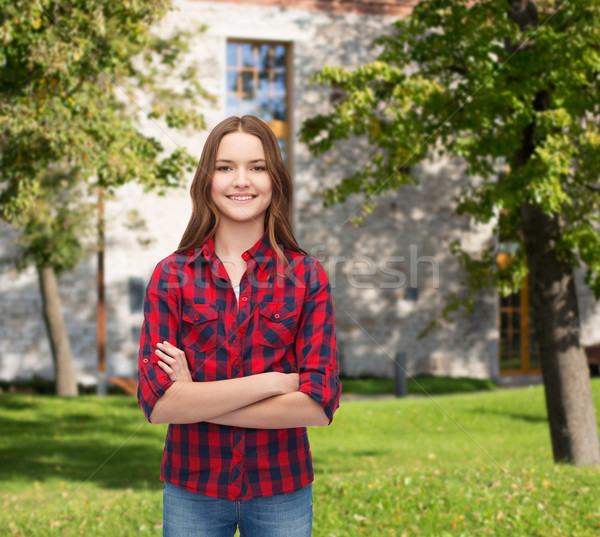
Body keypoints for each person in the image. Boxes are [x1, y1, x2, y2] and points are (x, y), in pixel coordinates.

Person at [137, 115, 342, 537]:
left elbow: (319, 406)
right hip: (192, 486)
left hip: (280, 487)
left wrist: (194, 398)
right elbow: (158, 404)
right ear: (206, 180)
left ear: (275, 181)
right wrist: (276, 382)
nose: (241, 180)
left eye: (258, 167)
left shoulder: (306, 276)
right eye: (225, 167)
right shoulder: (171, 275)